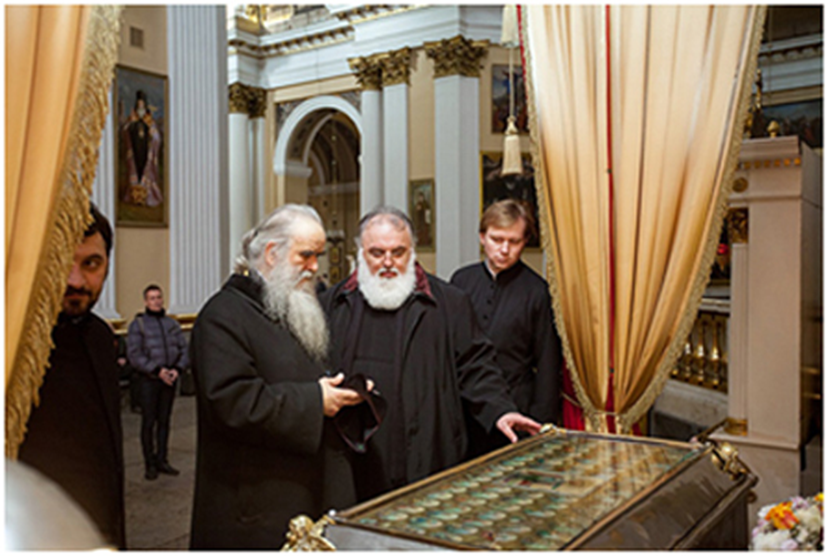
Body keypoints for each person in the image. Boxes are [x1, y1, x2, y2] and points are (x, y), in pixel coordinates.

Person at [320, 206, 541, 502]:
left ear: (412, 252)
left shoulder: (450, 303)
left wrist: (501, 409)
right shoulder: (332, 305)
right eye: (377, 253)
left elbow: (476, 367)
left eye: (398, 252)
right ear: (360, 253)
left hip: (428, 453)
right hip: (355, 460)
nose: (388, 262)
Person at [189, 204, 368, 549]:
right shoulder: (222, 315)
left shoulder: (289, 305)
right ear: (272, 253)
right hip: (254, 505)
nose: (314, 267)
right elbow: (231, 402)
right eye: (306, 255)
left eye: (318, 256)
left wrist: (346, 391)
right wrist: (317, 401)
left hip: (303, 490)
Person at [18, 203, 125, 548]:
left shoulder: (100, 336)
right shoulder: (15, 342)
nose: (75, 281)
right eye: (63, 261)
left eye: (91, 264)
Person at [451, 199, 563, 458]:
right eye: (497, 239)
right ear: (482, 237)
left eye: (514, 242)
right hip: (464, 410)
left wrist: (540, 426)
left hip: (517, 411)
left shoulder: (537, 291)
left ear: (525, 242)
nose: (504, 249)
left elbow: (547, 363)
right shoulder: (461, 281)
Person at [126, 284, 189, 480]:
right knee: (148, 422)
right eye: (152, 298)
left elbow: (184, 349)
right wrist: (157, 370)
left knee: (164, 421)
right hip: (149, 381)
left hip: (169, 380)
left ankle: (162, 459)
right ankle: (150, 463)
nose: (156, 301)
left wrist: (177, 369)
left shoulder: (172, 324)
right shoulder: (138, 325)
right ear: (146, 302)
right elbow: (135, 355)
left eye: (159, 297)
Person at [121, 90, 162, 207]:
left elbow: (156, 138)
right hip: (135, 153)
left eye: (142, 107)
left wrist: (150, 132)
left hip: (145, 152)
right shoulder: (132, 120)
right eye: (139, 107)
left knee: (145, 172)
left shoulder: (149, 121)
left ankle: (146, 196)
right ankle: (134, 196)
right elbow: (125, 132)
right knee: (135, 172)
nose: (140, 110)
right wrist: (131, 124)